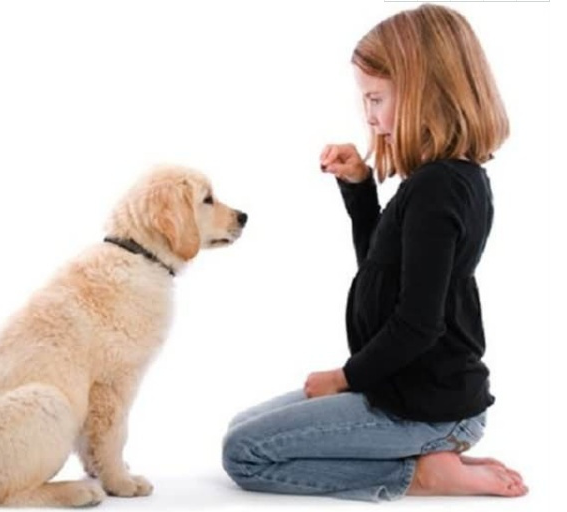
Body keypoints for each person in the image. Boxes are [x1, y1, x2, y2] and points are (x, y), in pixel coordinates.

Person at [221, 3, 527, 501]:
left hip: (420, 403)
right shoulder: (442, 182)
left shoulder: (439, 188)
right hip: (404, 393)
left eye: (376, 98)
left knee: (244, 452)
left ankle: (422, 472)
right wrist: (360, 189)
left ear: (428, 91)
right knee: (245, 424)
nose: (370, 116)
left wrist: (345, 378)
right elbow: (379, 276)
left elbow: (418, 324)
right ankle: (436, 452)